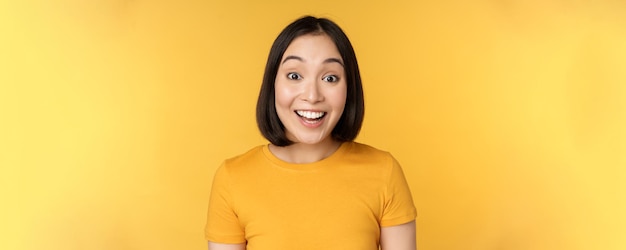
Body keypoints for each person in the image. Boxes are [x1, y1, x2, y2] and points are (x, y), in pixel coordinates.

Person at [205, 16, 417, 250]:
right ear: (272, 83)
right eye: (295, 76)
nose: (313, 95)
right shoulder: (233, 179)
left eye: (330, 78)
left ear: (349, 88)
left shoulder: (384, 173)